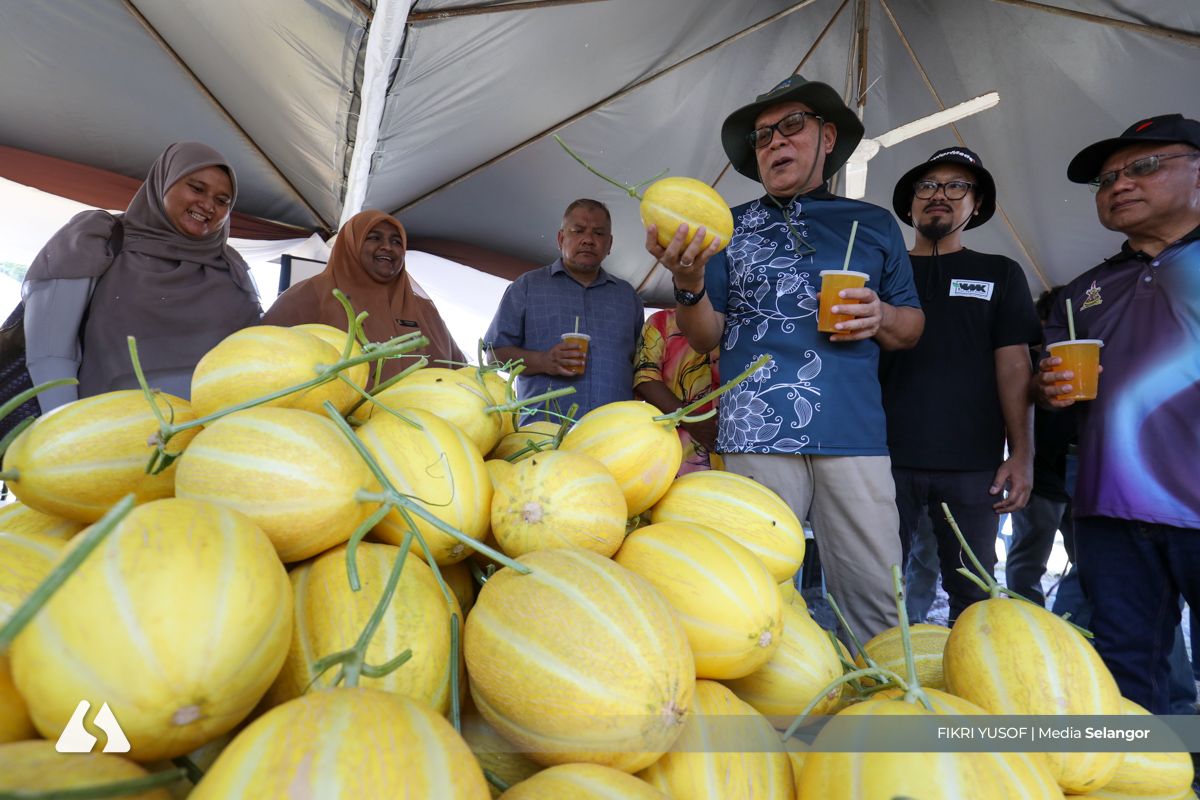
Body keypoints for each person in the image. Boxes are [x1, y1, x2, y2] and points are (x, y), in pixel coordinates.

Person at [645, 73, 924, 641]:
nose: (774, 141)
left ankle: (882, 717)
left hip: (854, 434)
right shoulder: (725, 227)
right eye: (762, 135)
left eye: (791, 126)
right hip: (754, 431)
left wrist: (882, 317)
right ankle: (768, 724)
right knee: (752, 601)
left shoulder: (872, 225)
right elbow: (703, 337)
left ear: (828, 137)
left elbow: (911, 325)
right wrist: (689, 280)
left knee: (875, 600)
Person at [1037, 113, 1200, 715]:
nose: (1118, 185)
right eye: (1106, 179)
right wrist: (1047, 387)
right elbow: (1049, 382)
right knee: (1128, 674)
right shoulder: (1083, 293)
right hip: (1111, 507)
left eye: (1145, 166)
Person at [880, 146, 1042, 624]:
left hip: (975, 466)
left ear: (977, 206)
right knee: (873, 591)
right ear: (909, 204)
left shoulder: (1000, 273)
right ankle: (875, 692)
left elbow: (1015, 367)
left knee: (974, 596)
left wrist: (1022, 454)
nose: (940, 196)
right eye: (928, 186)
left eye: (957, 187)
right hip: (877, 459)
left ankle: (970, 691)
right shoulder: (879, 271)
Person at [23, 141, 262, 412]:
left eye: (222, 201)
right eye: (196, 188)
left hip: (210, 438)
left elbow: (255, 353)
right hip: (109, 435)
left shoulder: (230, 266)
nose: (208, 205)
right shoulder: (99, 238)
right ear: (164, 182)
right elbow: (51, 350)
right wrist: (62, 427)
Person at [485, 199, 644, 420]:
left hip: (613, 437)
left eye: (598, 233)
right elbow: (493, 357)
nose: (588, 240)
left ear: (609, 244)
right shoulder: (528, 286)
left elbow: (644, 368)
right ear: (561, 239)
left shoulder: (627, 297)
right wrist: (543, 361)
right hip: (544, 435)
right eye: (578, 231)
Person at [263, 209, 465, 381]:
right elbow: (260, 356)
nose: (387, 246)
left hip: (424, 424)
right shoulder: (308, 295)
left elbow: (460, 370)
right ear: (350, 244)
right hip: (333, 424)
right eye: (374, 238)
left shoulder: (424, 309)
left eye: (396, 241)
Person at [1005, 287, 1077, 606]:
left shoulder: (1087, 359)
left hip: (1084, 475)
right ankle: (1027, 625)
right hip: (1041, 478)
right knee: (1027, 563)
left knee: (1089, 564)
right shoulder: (1027, 361)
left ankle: (1072, 625)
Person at [633, 308, 722, 474]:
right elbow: (645, 380)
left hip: (734, 449)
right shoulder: (662, 321)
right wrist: (688, 418)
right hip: (677, 449)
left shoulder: (741, 323)